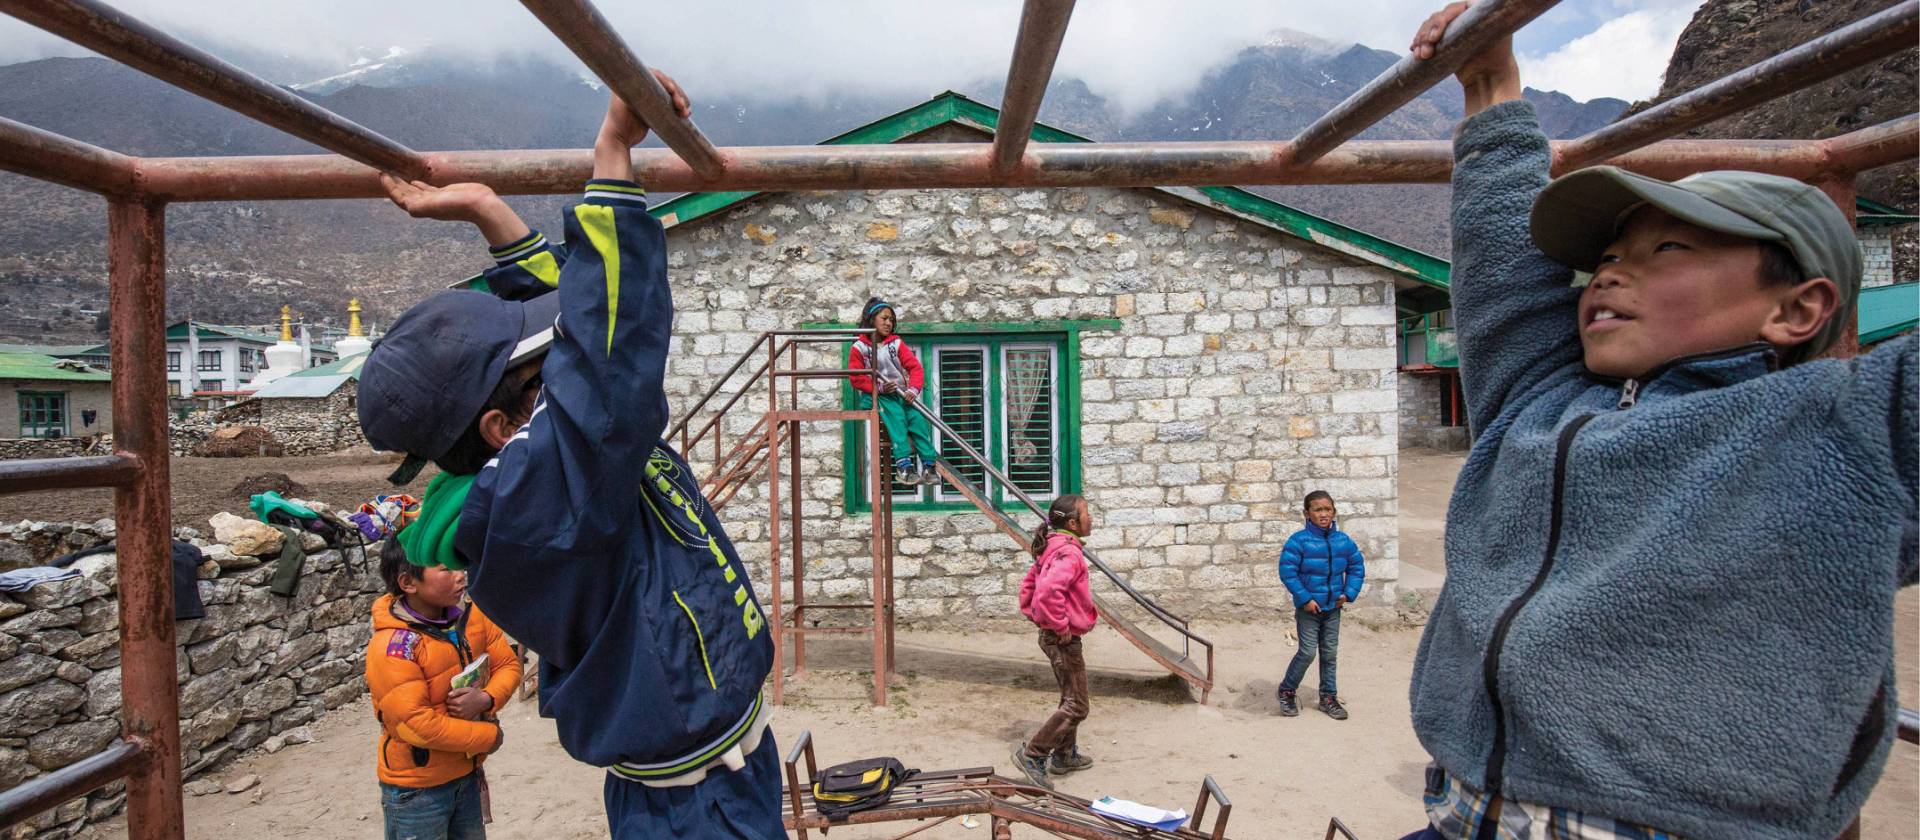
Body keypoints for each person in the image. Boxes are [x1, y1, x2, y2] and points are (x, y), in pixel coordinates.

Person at [1400, 5, 1917, 839]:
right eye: (1604, 258)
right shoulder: (1538, 402)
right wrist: (1491, 82)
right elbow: (1502, 269)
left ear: (1798, 308)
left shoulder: (1848, 425)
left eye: (1665, 252)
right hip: (1469, 816)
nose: (1609, 276)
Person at [357, 75, 786, 839]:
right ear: (500, 427)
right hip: (694, 805)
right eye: (542, 377)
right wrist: (613, 159)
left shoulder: (542, 468)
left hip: (724, 766)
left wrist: (491, 215)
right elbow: (604, 353)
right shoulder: (544, 495)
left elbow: (573, 333)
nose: (562, 374)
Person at [365, 539, 523, 840]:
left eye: (458, 564)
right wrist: (488, 736)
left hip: (465, 776)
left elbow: (508, 665)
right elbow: (416, 725)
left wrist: (486, 699)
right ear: (408, 582)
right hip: (418, 791)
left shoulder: (471, 616)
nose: (461, 574)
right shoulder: (394, 648)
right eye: (445, 568)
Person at [1012, 493, 1098, 789]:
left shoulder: (1054, 546)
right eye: (1087, 514)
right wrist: (1059, 625)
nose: (1092, 519)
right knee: (1078, 705)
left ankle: (1064, 755)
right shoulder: (1068, 553)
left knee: (1069, 695)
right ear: (1073, 523)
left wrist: (1035, 615)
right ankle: (1033, 755)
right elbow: (1048, 592)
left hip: (1055, 634)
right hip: (1062, 638)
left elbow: (1030, 585)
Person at [1275, 490, 1364, 721]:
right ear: (1307, 513)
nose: (1323, 514)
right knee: (1307, 652)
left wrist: (1348, 593)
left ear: (1334, 512)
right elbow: (1288, 572)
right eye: (1317, 510)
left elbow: (1356, 567)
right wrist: (1305, 599)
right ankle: (1287, 690)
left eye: (1327, 509)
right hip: (1309, 610)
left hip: (1333, 608)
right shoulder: (1299, 541)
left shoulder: (1343, 541)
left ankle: (1328, 698)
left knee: (1330, 653)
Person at [848, 298, 940, 485]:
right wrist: (879, 388)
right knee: (897, 419)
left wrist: (913, 389)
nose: (889, 323)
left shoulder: (896, 343)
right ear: (872, 319)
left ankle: (929, 465)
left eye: (891, 320)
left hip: (900, 394)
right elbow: (856, 378)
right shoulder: (859, 347)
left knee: (917, 420)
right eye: (884, 318)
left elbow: (915, 368)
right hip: (876, 396)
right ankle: (903, 465)